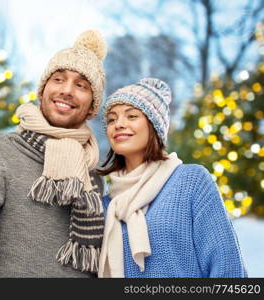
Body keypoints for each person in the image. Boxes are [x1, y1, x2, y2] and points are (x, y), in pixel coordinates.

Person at [0, 30, 108, 277]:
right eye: (58, 79)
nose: (67, 90)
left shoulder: (94, 173)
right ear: (43, 89)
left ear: (92, 107)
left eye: (81, 85)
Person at [98, 78, 247, 278]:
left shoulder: (191, 181)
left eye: (132, 116)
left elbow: (227, 269)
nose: (119, 124)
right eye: (111, 119)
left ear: (154, 126)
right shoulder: (107, 204)